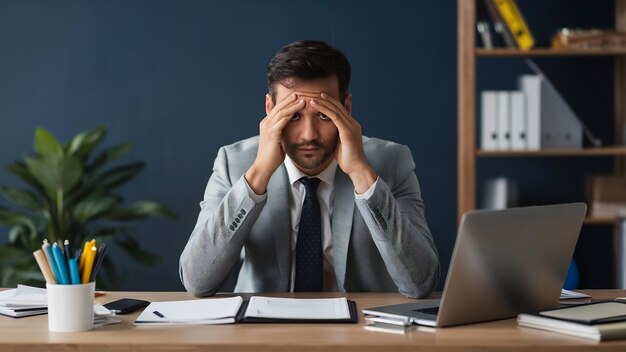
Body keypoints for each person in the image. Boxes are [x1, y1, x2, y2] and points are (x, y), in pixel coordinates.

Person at [179, 40, 439, 298]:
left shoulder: (391, 162)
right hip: (261, 330)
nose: (309, 135)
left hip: (362, 330)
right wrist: (257, 175)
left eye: (324, 115)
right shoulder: (234, 163)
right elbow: (197, 281)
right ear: (270, 109)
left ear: (346, 108)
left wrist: (362, 174)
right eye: (293, 115)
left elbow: (421, 283)